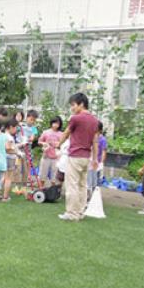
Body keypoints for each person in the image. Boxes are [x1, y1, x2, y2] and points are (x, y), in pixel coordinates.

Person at [57, 93, 99, 222]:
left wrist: (58, 144)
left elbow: (66, 133)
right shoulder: (94, 120)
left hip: (75, 156)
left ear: (81, 104)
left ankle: (72, 213)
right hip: (86, 157)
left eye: (73, 105)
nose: (72, 108)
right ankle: (80, 212)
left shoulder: (76, 118)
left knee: (72, 185)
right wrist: (95, 158)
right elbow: (95, 141)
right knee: (82, 185)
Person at [38, 116, 63, 185]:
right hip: (46, 157)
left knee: (54, 177)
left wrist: (58, 145)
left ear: (60, 124)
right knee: (42, 175)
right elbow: (39, 141)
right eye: (54, 123)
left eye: (57, 123)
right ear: (51, 123)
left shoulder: (61, 134)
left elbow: (63, 146)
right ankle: (41, 191)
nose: (55, 125)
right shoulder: (46, 132)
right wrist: (44, 144)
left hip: (56, 158)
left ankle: (53, 192)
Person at [87, 121, 107, 195]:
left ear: (100, 130)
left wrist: (101, 162)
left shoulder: (102, 139)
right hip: (89, 161)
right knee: (89, 179)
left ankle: (94, 195)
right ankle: (89, 193)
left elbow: (103, 151)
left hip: (97, 162)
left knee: (96, 180)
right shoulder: (90, 137)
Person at [3, 117, 19, 201]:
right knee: (8, 178)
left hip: (4, 158)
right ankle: (5, 197)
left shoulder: (3, 135)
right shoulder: (9, 137)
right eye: (15, 127)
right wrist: (17, 153)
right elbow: (8, 149)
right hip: (9, 159)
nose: (16, 129)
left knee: (3, 177)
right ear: (10, 127)